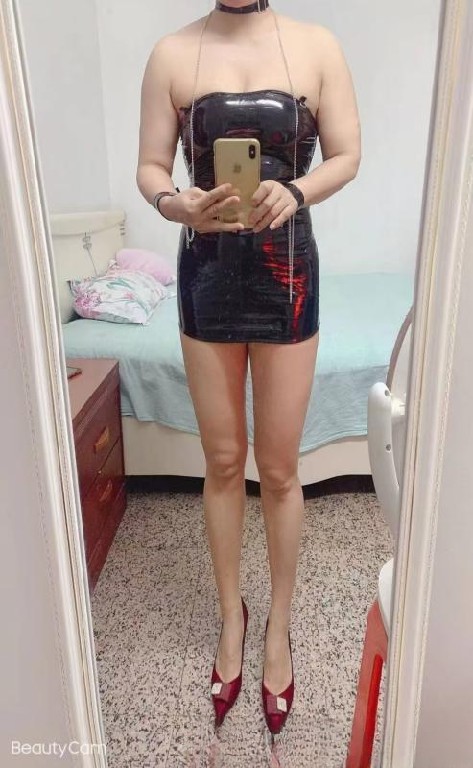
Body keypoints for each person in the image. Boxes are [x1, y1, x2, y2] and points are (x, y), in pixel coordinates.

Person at [136, 0, 361, 737]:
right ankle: (231, 615)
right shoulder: (172, 52)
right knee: (225, 460)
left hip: (288, 271)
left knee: (282, 467)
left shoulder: (316, 45)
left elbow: (347, 154)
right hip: (204, 272)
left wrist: (295, 191)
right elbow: (150, 165)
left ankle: (278, 625)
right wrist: (173, 203)